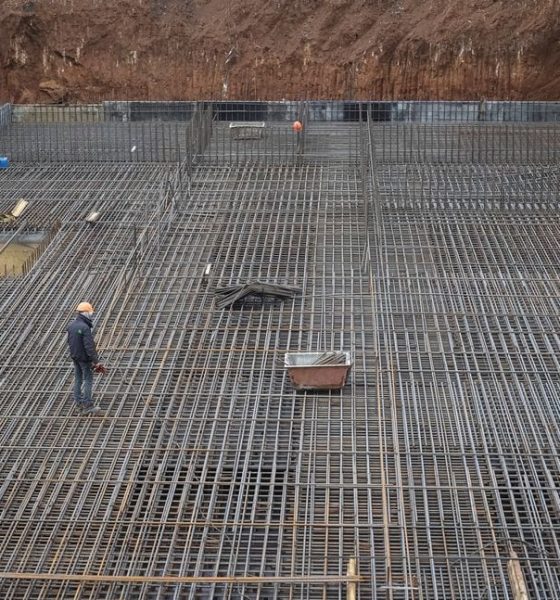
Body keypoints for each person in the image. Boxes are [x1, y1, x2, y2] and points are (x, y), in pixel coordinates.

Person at [67, 302, 104, 415]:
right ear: (85, 313)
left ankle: (78, 404)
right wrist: (96, 362)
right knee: (88, 379)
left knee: (78, 379)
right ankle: (88, 405)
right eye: (90, 312)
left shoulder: (71, 325)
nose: (91, 314)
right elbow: (89, 346)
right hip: (84, 358)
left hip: (75, 357)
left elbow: (69, 342)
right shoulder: (85, 327)